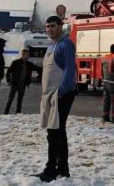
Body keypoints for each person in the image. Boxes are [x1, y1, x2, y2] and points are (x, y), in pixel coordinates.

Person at [36, 16, 76, 183]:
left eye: (52, 26)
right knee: (57, 132)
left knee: (54, 133)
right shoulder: (52, 45)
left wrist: (60, 92)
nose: (49, 29)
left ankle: (51, 170)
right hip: (50, 96)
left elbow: (69, 70)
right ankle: (62, 168)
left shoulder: (66, 44)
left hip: (60, 95)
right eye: (47, 27)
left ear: (61, 26)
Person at [4, 48, 37, 114]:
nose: (28, 56)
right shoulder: (16, 62)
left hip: (23, 84)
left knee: (20, 99)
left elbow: (37, 68)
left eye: (28, 55)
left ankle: (18, 112)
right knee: (11, 98)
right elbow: (8, 72)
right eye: (27, 55)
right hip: (15, 83)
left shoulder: (29, 64)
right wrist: (8, 81)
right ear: (23, 55)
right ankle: (6, 112)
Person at [101, 44, 114, 122]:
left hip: (105, 81)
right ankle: (113, 117)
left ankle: (105, 116)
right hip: (112, 82)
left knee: (106, 100)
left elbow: (102, 71)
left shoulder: (104, 58)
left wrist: (103, 78)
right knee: (113, 101)